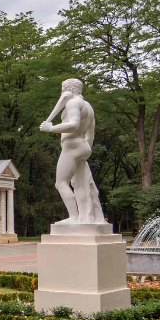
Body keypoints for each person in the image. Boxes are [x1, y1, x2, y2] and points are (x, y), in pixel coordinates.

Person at [39, 78, 106, 224]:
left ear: (67, 89)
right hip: (83, 146)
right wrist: (85, 149)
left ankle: (74, 217)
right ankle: (87, 217)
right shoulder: (88, 106)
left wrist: (51, 128)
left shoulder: (73, 103)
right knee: (82, 184)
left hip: (72, 146)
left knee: (61, 183)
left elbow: (74, 124)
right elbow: (91, 133)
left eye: (63, 89)